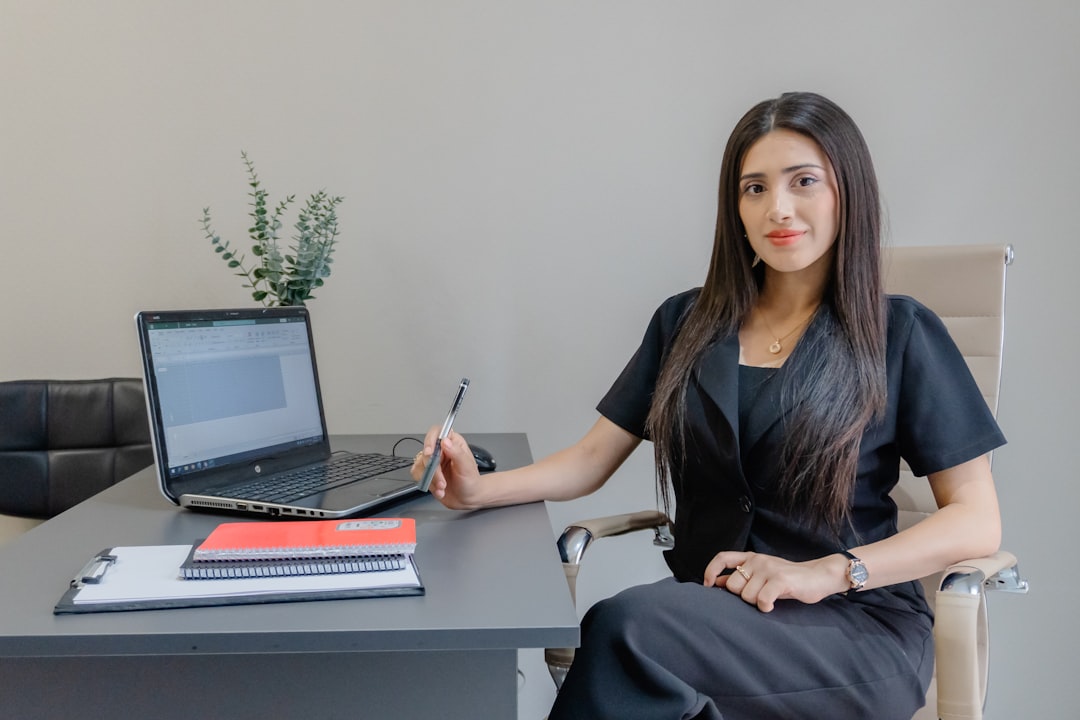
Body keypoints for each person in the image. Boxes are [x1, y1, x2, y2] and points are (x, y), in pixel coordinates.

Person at [411, 91, 1005, 720]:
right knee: (642, 652)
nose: (778, 207)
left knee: (626, 630)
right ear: (736, 208)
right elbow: (590, 459)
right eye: (754, 188)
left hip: (851, 626)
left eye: (804, 181)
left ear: (846, 192)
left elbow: (976, 520)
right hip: (719, 617)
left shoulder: (902, 333)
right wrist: (479, 492)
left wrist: (830, 572)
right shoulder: (687, 322)